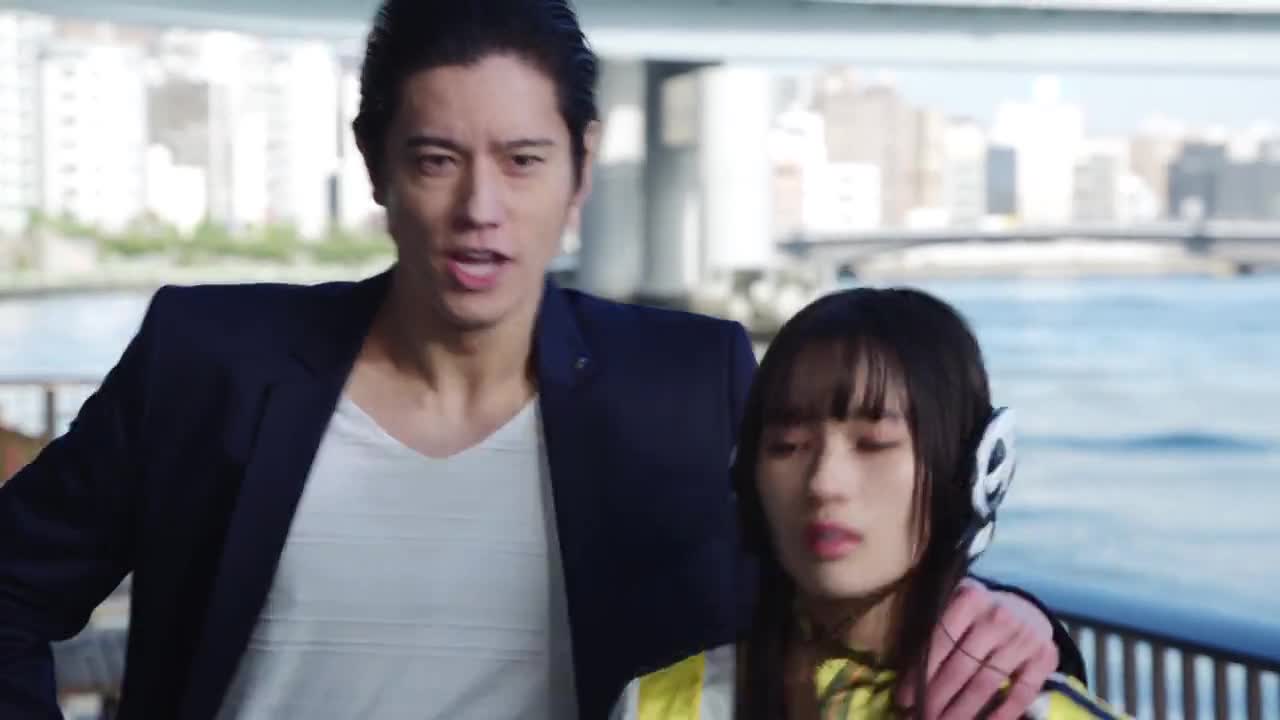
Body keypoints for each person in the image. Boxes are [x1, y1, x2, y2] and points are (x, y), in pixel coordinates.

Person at [0, 1, 1081, 718]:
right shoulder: (211, 360)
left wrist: (1019, 620)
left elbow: (828, 579)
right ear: (374, 166)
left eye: (523, 160)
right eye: (436, 160)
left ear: (580, 169)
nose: (481, 208)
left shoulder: (686, 381)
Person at [610, 287, 1125, 719]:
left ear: (971, 472)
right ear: (746, 478)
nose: (823, 483)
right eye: (788, 446)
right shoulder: (654, 706)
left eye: (874, 444)